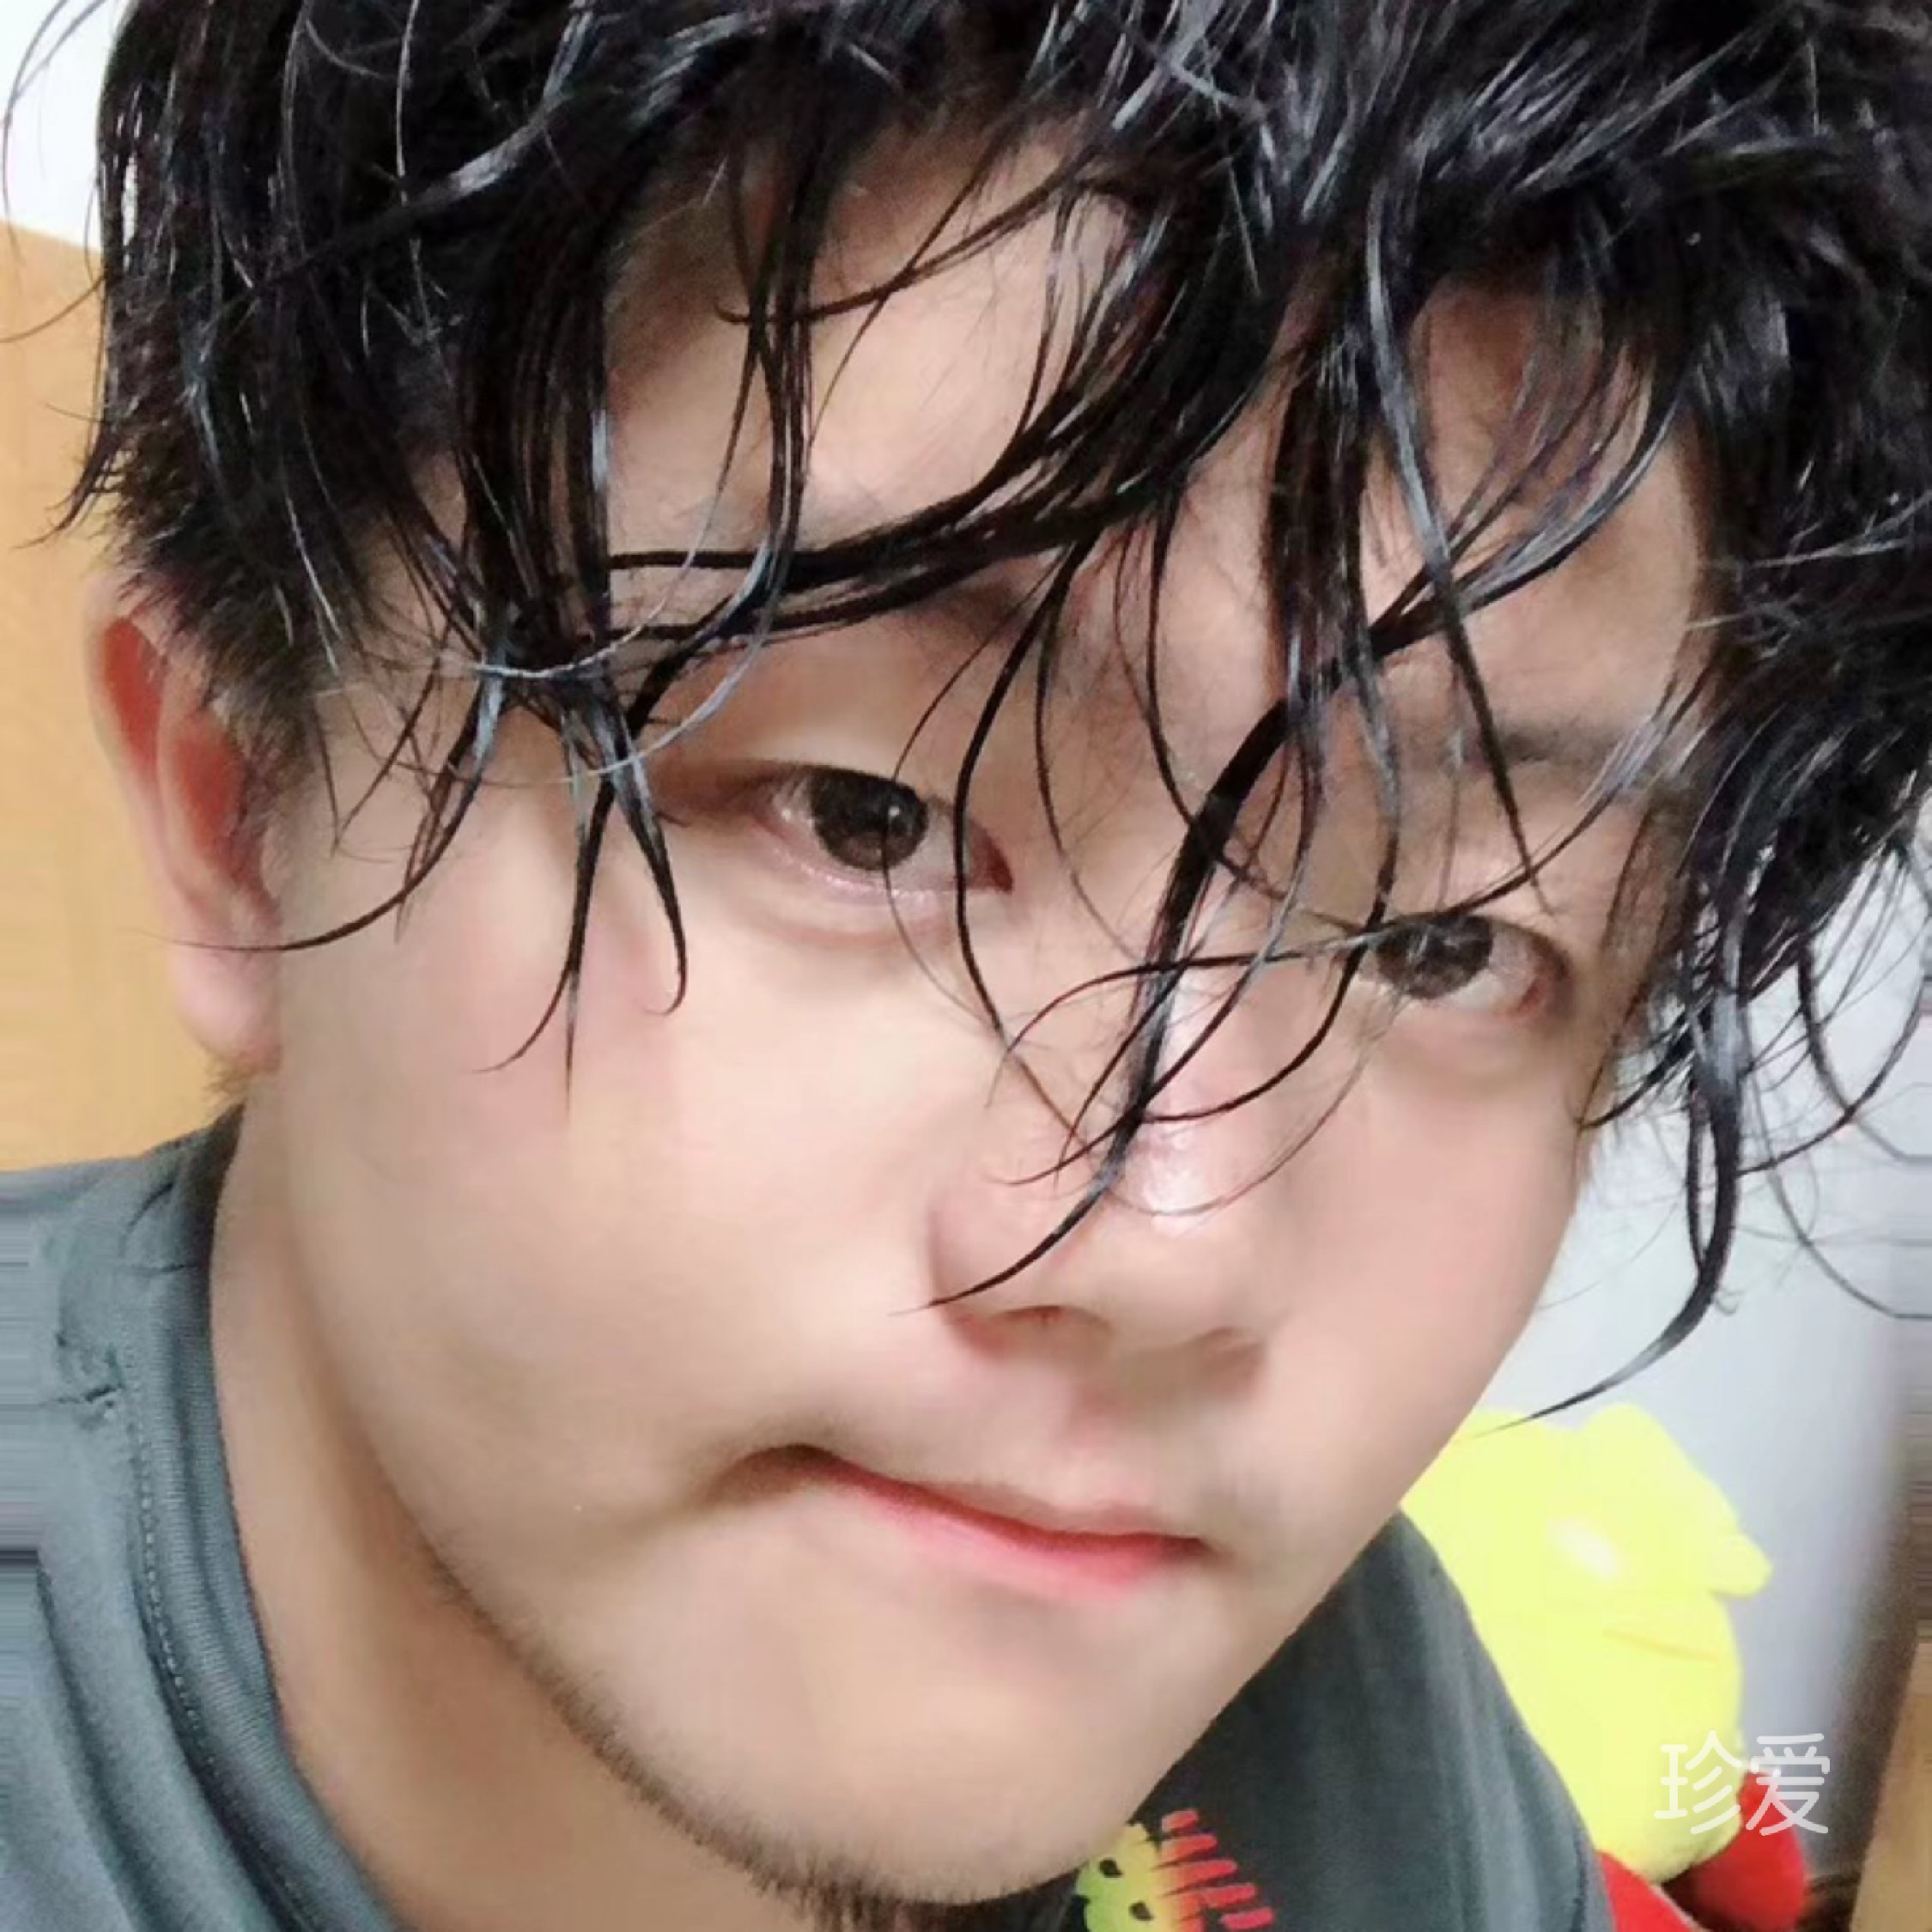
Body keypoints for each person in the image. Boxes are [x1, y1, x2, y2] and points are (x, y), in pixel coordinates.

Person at [7, 3, 1932, 1929]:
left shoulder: (1360, 1717)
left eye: (1441, 944)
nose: (1172, 1249)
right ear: (239, 808)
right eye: (870, 820)